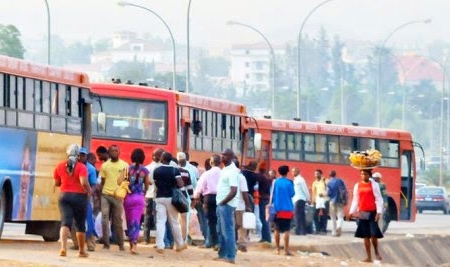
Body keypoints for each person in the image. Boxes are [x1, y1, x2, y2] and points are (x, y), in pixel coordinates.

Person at [53, 144, 91, 258]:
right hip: (79, 197)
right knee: (80, 224)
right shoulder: (81, 167)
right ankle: (81, 251)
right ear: (78, 155)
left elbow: (56, 183)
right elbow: (83, 182)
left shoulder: (59, 166)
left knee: (65, 222)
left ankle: (63, 248)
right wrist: (89, 191)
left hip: (64, 197)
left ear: (67, 154)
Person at [346, 169, 384, 263]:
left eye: (365, 174)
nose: (363, 176)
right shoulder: (357, 185)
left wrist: (379, 212)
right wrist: (351, 212)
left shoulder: (374, 185)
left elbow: (378, 198)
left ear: (369, 175)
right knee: (366, 236)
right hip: (362, 212)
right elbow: (356, 200)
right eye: (362, 174)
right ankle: (368, 257)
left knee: (373, 234)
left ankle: (376, 251)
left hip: (372, 212)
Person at [153, 152, 188, 253]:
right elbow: (180, 184)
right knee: (174, 222)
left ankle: (160, 245)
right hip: (171, 198)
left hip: (159, 197)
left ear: (162, 159)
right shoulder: (174, 170)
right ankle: (180, 244)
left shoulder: (157, 170)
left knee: (160, 222)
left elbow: (156, 183)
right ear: (171, 160)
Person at [100, 145, 128, 251]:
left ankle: (121, 244)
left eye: (116, 150)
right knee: (104, 219)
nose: (114, 152)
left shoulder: (124, 165)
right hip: (106, 195)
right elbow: (102, 182)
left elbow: (126, 182)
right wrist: (101, 195)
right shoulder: (104, 166)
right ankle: (106, 244)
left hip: (118, 196)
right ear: (109, 152)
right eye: (112, 151)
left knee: (118, 221)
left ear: (119, 152)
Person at [214, 148, 240, 264]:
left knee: (227, 231)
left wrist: (224, 202)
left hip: (227, 205)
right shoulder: (225, 169)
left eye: (224, 155)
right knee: (220, 230)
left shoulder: (233, 171)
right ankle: (222, 254)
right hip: (221, 204)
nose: (222, 157)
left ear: (230, 157)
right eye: (222, 154)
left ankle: (230, 256)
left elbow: (234, 190)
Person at [70, 147, 98, 252]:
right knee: (73, 220)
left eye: (83, 155)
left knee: (88, 220)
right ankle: (76, 243)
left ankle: (91, 244)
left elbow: (94, 184)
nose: (81, 157)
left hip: (86, 196)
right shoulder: (73, 166)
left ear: (86, 156)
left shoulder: (90, 169)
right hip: (74, 195)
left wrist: (90, 193)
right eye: (79, 155)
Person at [122, 148, 149, 255]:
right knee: (136, 222)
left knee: (129, 222)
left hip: (128, 197)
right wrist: (143, 194)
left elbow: (123, 183)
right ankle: (134, 245)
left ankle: (130, 243)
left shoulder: (127, 168)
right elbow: (146, 186)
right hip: (139, 198)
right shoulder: (145, 170)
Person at [194, 154, 221, 249]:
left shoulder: (206, 174)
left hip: (208, 199)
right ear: (220, 163)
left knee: (210, 221)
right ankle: (217, 243)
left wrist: (196, 196)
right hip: (221, 198)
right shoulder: (223, 173)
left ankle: (209, 242)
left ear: (211, 162)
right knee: (218, 221)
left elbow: (199, 187)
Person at [272, 165, 295, 256]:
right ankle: (286, 250)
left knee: (276, 229)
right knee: (286, 230)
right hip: (287, 209)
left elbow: (272, 194)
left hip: (277, 208)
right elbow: (292, 194)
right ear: (287, 172)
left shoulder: (276, 182)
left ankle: (277, 249)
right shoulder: (290, 182)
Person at [143, 148, 164, 244]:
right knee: (158, 218)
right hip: (158, 195)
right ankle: (158, 241)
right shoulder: (163, 168)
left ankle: (146, 239)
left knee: (147, 217)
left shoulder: (147, 168)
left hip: (149, 195)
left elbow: (145, 183)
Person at [233, 159, 252, 253]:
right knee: (241, 226)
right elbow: (244, 193)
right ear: (239, 166)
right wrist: (248, 205)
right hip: (239, 205)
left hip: (227, 205)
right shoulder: (241, 177)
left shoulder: (224, 174)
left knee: (231, 226)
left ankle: (231, 244)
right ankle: (241, 244)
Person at [326, 170, 347, 237]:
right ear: (335, 174)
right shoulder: (340, 181)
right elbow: (345, 190)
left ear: (330, 175)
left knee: (333, 218)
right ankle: (339, 226)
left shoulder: (329, 183)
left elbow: (328, 193)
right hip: (340, 201)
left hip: (332, 201)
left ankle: (334, 232)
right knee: (340, 216)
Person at [18, 134, 34, 220]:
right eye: (23, 168)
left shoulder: (32, 204)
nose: (25, 175)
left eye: (27, 169)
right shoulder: (14, 202)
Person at [257, 162, 272, 244]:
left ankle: (267, 238)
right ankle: (265, 237)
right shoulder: (266, 178)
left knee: (263, 219)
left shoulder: (260, 177)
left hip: (262, 199)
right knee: (264, 219)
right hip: (266, 199)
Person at [292, 167, 310, 235]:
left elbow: (305, 189)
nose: (293, 173)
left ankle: (298, 230)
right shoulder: (295, 180)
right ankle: (303, 231)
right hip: (296, 199)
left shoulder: (300, 180)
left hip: (300, 199)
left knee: (297, 215)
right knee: (301, 215)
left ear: (298, 172)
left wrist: (308, 198)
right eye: (293, 171)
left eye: (295, 171)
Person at [311, 169, 329, 234]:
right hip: (317, 201)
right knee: (314, 215)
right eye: (315, 174)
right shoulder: (314, 183)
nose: (316, 175)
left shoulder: (325, 181)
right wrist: (313, 201)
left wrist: (323, 194)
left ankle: (324, 230)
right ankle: (317, 229)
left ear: (321, 174)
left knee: (324, 215)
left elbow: (329, 191)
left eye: (317, 174)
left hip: (325, 200)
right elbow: (314, 193)